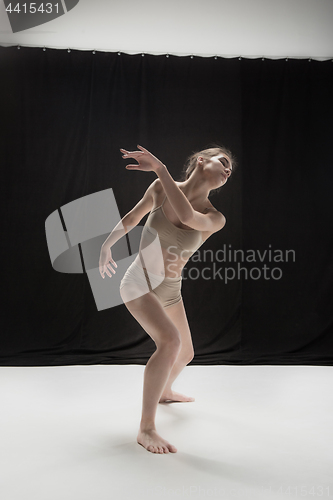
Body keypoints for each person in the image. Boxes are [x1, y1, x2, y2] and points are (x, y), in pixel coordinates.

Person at [99, 145, 234, 454]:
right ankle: (146, 428)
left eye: (230, 171)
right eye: (223, 162)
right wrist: (108, 245)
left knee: (186, 352)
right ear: (201, 160)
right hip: (139, 283)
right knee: (170, 343)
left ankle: (164, 390)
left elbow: (187, 214)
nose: (228, 171)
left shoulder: (215, 217)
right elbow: (133, 216)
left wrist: (160, 166)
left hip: (171, 289)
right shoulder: (160, 188)